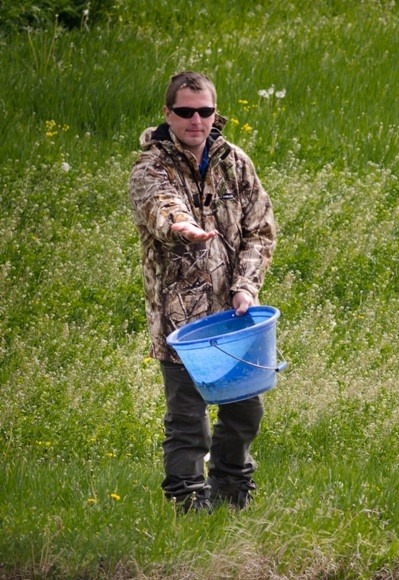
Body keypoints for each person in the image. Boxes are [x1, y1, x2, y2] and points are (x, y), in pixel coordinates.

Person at [129, 71, 276, 511]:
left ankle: (232, 493)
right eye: (186, 111)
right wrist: (181, 227)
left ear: (215, 113)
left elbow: (261, 230)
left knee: (245, 411)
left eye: (205, 111)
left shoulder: (235, 161)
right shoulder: (149, 167)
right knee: (188, 422)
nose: (196, 120)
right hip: (181, 323)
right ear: (167, 114)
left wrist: (246, 287)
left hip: (235, 322)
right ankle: (189, 506)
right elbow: (160, 204)